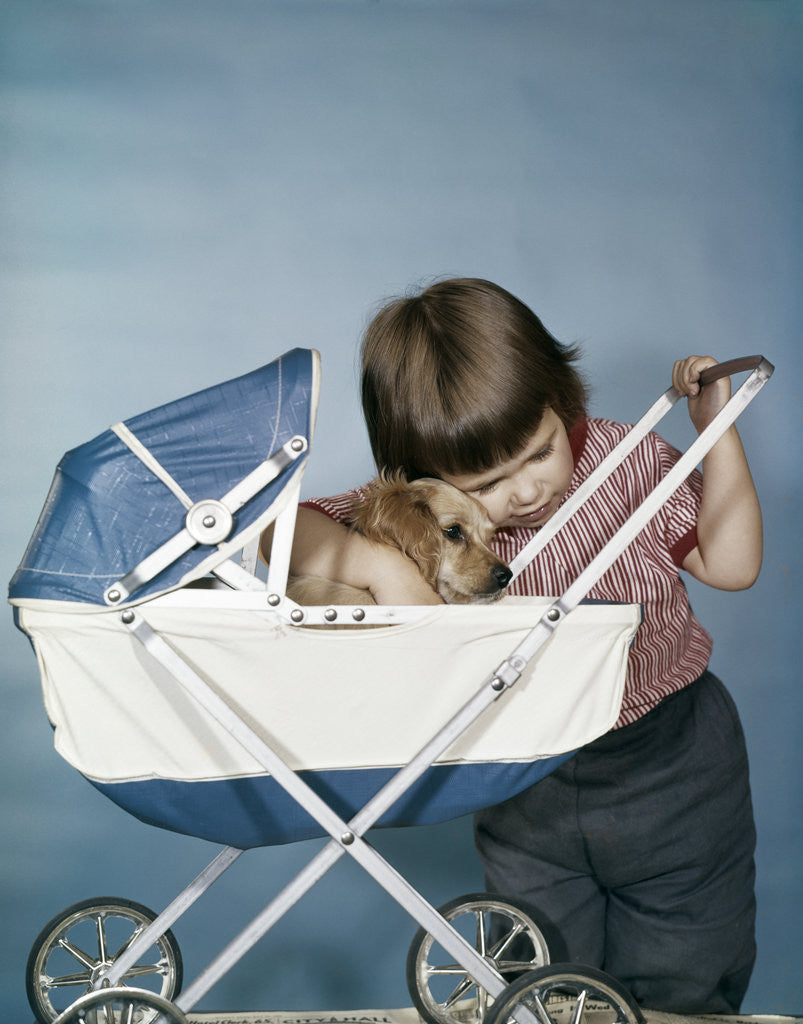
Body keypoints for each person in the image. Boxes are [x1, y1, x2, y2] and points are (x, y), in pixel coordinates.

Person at [264, 278, 762, 1012]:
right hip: (526, 772)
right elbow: (274, 532)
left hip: (669, 759)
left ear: (561, 407)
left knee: (685, 964)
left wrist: (714, 436)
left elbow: (732, 564)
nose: (527, 492)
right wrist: (375, 565)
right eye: (487, 482)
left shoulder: (622, 461)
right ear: (429, 475)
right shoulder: (424, 513)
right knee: (543, 973)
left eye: (539, 452)